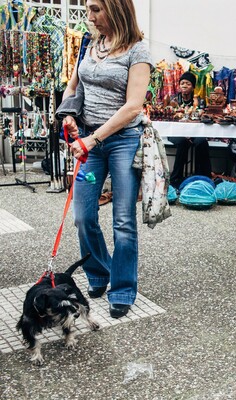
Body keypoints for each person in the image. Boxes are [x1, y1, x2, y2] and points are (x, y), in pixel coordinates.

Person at [62, 0, 152, 319]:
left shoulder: (138, 50)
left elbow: (133, 107)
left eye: (96, 9)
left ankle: (123, 287)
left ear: (116, 8)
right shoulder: (90, 43)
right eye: (88, 9)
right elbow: (74, 86)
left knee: (123, 221)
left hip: (123, 143)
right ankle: (100, 273)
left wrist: (92, 137)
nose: (90, 17)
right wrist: (69, 114)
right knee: (83, 215)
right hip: (90, 144)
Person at [168, 72, 212, 189]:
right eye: (182, 83)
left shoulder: (200, 101)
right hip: (176, 132)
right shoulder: (173, 99)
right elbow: (170, 117)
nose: (184, 85)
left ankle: (202, 177)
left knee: (201, 142)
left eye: (188, 83)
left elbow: (203, 118)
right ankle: (175, 179)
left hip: (195, 132)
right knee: (182, 142)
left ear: (193, 86)